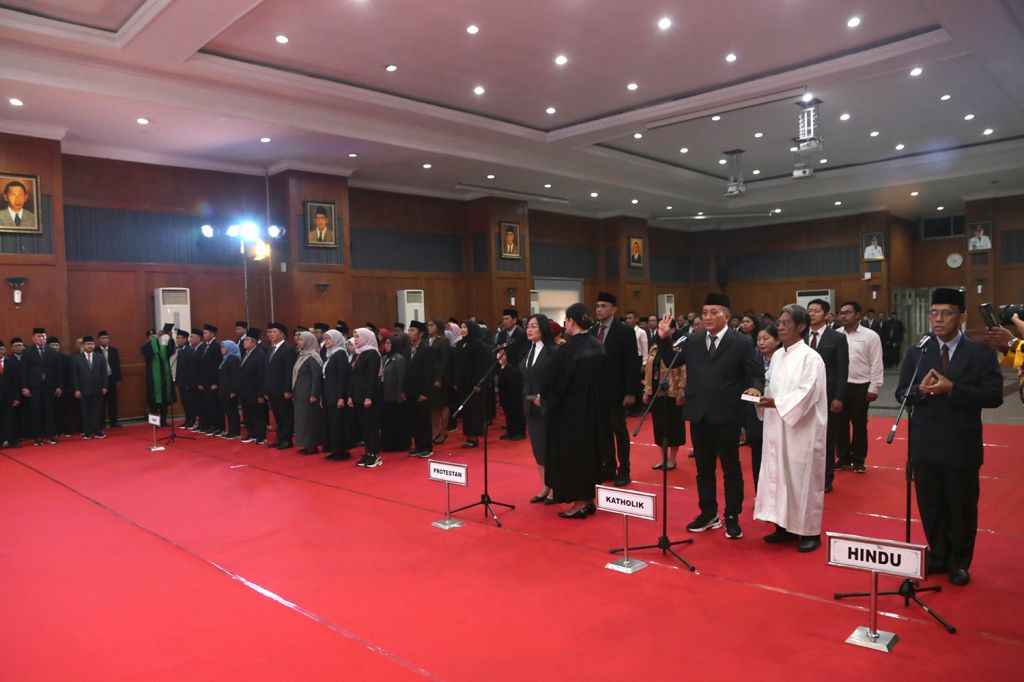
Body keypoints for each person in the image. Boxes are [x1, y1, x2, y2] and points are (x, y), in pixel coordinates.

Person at [896, 288, 1002, 586]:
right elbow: (902, 392)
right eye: (934, 313)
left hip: (960, 445)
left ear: (962, 317)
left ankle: (960, 561)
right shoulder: (917, 352)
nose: (938, 319)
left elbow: (994, 395)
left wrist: (952, 389)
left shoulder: (980, 353)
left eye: (946, 313)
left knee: (961, 506)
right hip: (925, 443)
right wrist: (919, 391)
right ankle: (938, 554)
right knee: (930, 504)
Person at [655, 293, 765, 540]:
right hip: (699, 412)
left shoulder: (741, 342)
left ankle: (732, 516)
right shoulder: (693, 340)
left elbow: (756, 373)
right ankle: (708, 513)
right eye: (704, 312)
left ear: (726, 315)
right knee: (703, 468)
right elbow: (672, 361)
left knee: (730, 468)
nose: (707, 317)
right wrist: (663, 338)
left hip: (727, 413)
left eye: (713, 312)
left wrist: (756, 388)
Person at [755, 305, 828, 552]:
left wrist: (777, 403)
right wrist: (759, 396)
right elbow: (771, 385)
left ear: (801, 326)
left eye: (786, 323)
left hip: (802, 429)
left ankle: (809, 531)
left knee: (801, 479)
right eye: (779, 322)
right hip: (776, 426)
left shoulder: (811, 358)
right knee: (778, 476)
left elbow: (808, 394)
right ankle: (782, 526)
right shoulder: (777, 355)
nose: (780, 327)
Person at [546, 304, 609, 519]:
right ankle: (589, 499)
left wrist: (548, 404)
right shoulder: (598, 345)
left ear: (571, 321)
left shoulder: (569, 349)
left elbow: (559, 384)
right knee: (590, 455)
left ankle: (580, 502)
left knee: (574, 457)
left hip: (571, 414)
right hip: (595, 411)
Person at [501, 314, 558, 503]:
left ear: (543, 328)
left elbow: (559, 380)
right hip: (529, 406)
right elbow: (521, 378)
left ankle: (555, 488)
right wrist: (505, 366)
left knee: (550, 449)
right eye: (528, 326)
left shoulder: (553, 352)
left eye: (534, 326)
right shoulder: (528, 350)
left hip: (547, 407)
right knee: (538, 449)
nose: (529, 329)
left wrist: (546, 398)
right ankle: (545, 486)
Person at [590, 292, 641, 487]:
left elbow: (632, 363)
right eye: (597, 306)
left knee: (619, 430)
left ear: (613, 309)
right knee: (603, 432)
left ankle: (624, 469)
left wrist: (631, 392)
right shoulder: (593, 331)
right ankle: (608, 466)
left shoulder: (624, 331)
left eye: (603, 306)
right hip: (597, 391)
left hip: (617, 391)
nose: (599, 310)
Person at [805, 299, 850, 493]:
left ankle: (826, 479)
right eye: (809, 310)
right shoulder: (800, 336)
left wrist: (839, 397)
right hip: (804, 395)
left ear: (826, 314)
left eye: (816, 311)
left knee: (826, 438)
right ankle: (806, 477)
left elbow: (842, 369)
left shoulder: (837, 338)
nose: (811, 314)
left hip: (828, 393)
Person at [836, 301, 883, 473]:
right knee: (840, 424)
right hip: (840, 387)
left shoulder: (870, 336)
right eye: (841, 313)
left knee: (859, 424)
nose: (843, 316)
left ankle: (858, 459)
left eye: (847, 312)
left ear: (858, 315)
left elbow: (876, 362)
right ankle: (843, 458)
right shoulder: (836, 335)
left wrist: (874, 387)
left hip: (861, 386)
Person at [643, 318, 686, 471]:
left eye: (666, 327)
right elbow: (649, 369)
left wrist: (681, 389)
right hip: (657, 391)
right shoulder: (655, 346)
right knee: (659, 426)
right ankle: (662, 458)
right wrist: (647, 389)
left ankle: (672, 459)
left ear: (673, 330)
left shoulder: (679, 347)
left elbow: (684, 370)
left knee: (673, 426)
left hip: (673, 391)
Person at [746, 325, 780, 490]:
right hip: (755, 414)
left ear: (777, 340)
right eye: (758, 339)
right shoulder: (753, 359)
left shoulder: (784, 360)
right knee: (757, 455)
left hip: (777, 413)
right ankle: (759, 491)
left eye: (766, 338)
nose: (761, 342)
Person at [453, 321, 492, 449]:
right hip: (463, 383)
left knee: (474, 410)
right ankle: (468, 434)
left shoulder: (478, 344)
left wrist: (479, 383)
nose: (462, 329)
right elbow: (457, 364)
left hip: (475, 384)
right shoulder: (460, 344)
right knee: (466, 410)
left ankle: (474, 437)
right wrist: (456, 381)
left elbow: (481, 366)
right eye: (461, 327)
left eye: (465, 327)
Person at [22, 328, 62, 446]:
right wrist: (24, 387)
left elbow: (58, 370)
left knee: (50, 411)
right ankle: (37, 437)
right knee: (35, 412)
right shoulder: (27, 352)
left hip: (49, 387)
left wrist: (59, 386)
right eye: (39, 336)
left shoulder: (52, 351)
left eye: (44, 336)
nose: (41, 338)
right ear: (33, 338)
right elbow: (23, 371)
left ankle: (50, 435)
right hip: (34, 387)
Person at [351, 328, 384, 467]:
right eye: (355, 337)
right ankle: (368, 452)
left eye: (358, 337)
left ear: (366, 337)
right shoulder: (359, 353)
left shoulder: (372, 354)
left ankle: (375, 454)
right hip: (358, 395)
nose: (356, 339)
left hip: (369, 396)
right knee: (363, 426)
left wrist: (369, 396)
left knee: (371, 426)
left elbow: (372, 377)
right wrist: (351, 396)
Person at [403, 321, 435, 457]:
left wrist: (425, 393)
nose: (409, 333)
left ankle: (426, 447)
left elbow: (429, 373)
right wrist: (403, 390)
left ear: (421, 333)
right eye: (409, 330)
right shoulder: (407, 350)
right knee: (413, 419)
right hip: (410, 391)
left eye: (412, 330)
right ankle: (418, 445)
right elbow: (405, 372)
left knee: (423, 420)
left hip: (422, 391)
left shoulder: (427, 350)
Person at [263, 322, 297, 450]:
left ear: (282, 335)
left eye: (274, 332)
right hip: (272, 389)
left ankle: (286, 440)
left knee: (285, 415)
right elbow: (267, 371)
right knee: (277, 415)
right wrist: (266, 389)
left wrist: (288, 390)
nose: (271, 334)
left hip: (282, 390)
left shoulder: (288, 350)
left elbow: (289, 371)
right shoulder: (271, 349)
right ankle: (280, 438)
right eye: (270, 332)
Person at [495, 309, 527, 441]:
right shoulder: (502, 334)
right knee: (506, 403)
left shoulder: (521, 334)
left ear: (514, 320)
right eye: (503, 319)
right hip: (503, 373)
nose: (504, 321)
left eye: (507, 319)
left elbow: (523, 355)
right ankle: (510, 429)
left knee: (516, 404)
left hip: (515, 373)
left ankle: (519, 430)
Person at [320, 329, 351, 460]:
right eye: (325, 338)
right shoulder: (330, 354)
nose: (326, 341)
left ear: (336, 339)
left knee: (338, 423)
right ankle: (334, 449)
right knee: (331, 423)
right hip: (329, 394)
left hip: (337, 395)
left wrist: (341, 397)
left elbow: (343, 377)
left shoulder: (340, 354)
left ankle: (341, 451)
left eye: (329, 338)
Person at [292, 331, 324, 455]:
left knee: (309, 421)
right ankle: (306, 444)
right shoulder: (301, 355)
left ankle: (312, 445)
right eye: (299, 339)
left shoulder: (313, 357)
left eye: (301, 340)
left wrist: (314, 394)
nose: (299, 342)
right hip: (300, 394)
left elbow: (316, 377)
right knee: (302, 420)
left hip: (308, 395)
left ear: (309, 341)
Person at [379, 334, 411, 452]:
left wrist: (400, 394)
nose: (386, 345)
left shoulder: (399, 359)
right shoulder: (384, 358)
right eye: (386, 343)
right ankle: (388, 444)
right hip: (385, 394)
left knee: (397, 420)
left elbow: (401, 378)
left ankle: (399, 444)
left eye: (389, 343)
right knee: (387, 421)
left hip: (395, 396)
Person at [72, 336, 108, 440]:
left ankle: (97, 431)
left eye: (92, 344)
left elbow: (104, 373)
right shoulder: (76, 358)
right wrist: (76, 389)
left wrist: (105, 386)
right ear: (83, 345)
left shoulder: (100, 357)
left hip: (98, 388)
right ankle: (87, 432)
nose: (90, 346)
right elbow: (74, 375)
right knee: (85, 411)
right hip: (83, 389)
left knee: (97, 411)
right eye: (88, 344)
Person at [237, 328, 268, 444]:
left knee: (257, 414)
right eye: (244, 340)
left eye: (247, 340)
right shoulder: (246, 354)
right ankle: (252, 433)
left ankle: (261, 436)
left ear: (253, 342)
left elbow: (261, 375)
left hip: (255, 391)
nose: (244, 342)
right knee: (248, 414)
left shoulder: (260, 354)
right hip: (245, 391)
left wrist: (260, 394)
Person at [426, 318, 453, 445]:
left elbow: (445, 361)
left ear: (438, 326)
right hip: (429, 377)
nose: (429, 327)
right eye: (428, 325)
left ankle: (443, 432)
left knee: (442, 405)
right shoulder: (427, 340)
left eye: (432, 325)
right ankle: (435, 431)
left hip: (440, 378)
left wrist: (440, 378)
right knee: (433, 406)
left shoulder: (443, 340)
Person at [141, 327, 175, 427]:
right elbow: (150, 353)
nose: (154, 339)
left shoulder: (162, 347)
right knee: (153, 402)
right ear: (147, 339)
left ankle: (163, 421)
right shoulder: (145, 348)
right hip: (153, 380)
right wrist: (155, 339)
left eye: (154, 336)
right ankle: (154, 423)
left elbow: (171, 351)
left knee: (165, 400)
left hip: (164, 379)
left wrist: (170, 338)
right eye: (151, 337)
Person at [195, 324, 222, 434]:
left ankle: (217, 426)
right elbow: (201, 366)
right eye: (204, 333)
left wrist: (215, 382)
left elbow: (217, 366)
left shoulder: (216, 346)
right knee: (205, 405)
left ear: (212, 334)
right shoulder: (204, 346)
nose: (204, 335)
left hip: (212, 383)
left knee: (214, 406)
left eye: (206, 333)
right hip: (204, 382)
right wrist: (200, 382)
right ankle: (207, 424)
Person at [96, 331, 122, 428]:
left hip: (111, 378)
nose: (105, 340)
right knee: (101, 402)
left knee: (112, 401)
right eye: (103, 338)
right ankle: (101, 422)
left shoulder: (113, 350)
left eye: (106, 338)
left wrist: (118, 379)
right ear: (99, 339)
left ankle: (113, 422)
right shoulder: (95, 351)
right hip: (100, 380)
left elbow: (117, 365)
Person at [217, 340, 242, 439]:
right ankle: (231, 430)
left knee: (232, 411)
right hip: (224, 389)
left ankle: (235, 431)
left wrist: (233, 391)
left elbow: (235, 376)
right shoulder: (225, 358)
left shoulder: (233, 359)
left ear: (230, 348)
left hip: (230, 390)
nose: (221, 349)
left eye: (223, 347)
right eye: (221, 347)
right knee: (228, 411)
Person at [178, 329, 202, 430]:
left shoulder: (189, 350)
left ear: (184, 339)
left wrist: (190, 382)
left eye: (178, 338)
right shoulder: (181, 350)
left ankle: (191, 421)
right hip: (182, 382)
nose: (177, 340)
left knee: (190, 403)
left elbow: (191, 369)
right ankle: (187, 420)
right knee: (184, 402)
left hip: (188, 382)